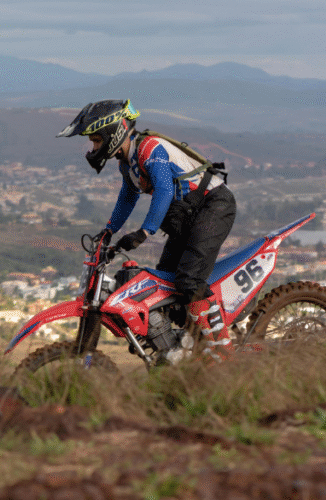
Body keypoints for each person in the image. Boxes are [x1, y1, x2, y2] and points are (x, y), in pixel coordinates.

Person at [57, 99, 237, 360]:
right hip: (187, 217)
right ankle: (193, 347)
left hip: (212, 206)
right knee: (164, 286)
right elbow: (127, 197)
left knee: (189, 281)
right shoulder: (127, 162)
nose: (93, 147)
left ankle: (223, 352)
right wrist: (108, 231)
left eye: (96, 140)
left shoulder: (149, 150)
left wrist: (145, 232)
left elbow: (164, 190)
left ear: (113, 132)